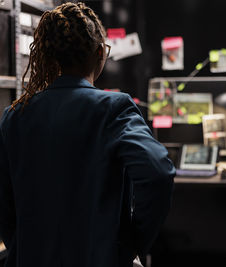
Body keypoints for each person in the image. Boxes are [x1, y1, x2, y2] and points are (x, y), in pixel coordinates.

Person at [0, 2, 175, 267]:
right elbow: (159, 171)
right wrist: (130, 245)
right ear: (99, 54)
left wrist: (22, 245)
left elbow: (4, 202)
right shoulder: (114, 108)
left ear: (48, 56)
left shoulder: (13, 116)